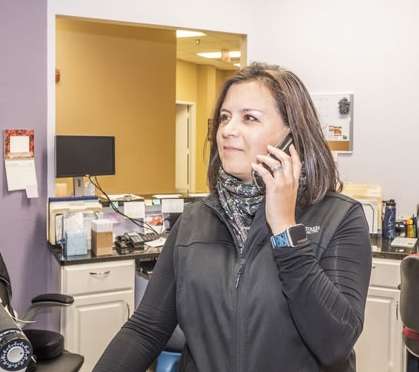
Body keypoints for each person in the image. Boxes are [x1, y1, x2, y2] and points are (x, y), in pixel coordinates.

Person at [93, 62, 372, 372]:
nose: (227, 130)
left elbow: (334, 343)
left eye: (249, 118)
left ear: (291, 133)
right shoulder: (194, 221)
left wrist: (285, 229)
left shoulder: (340, 217)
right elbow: (145, 330)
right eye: (225, 117)